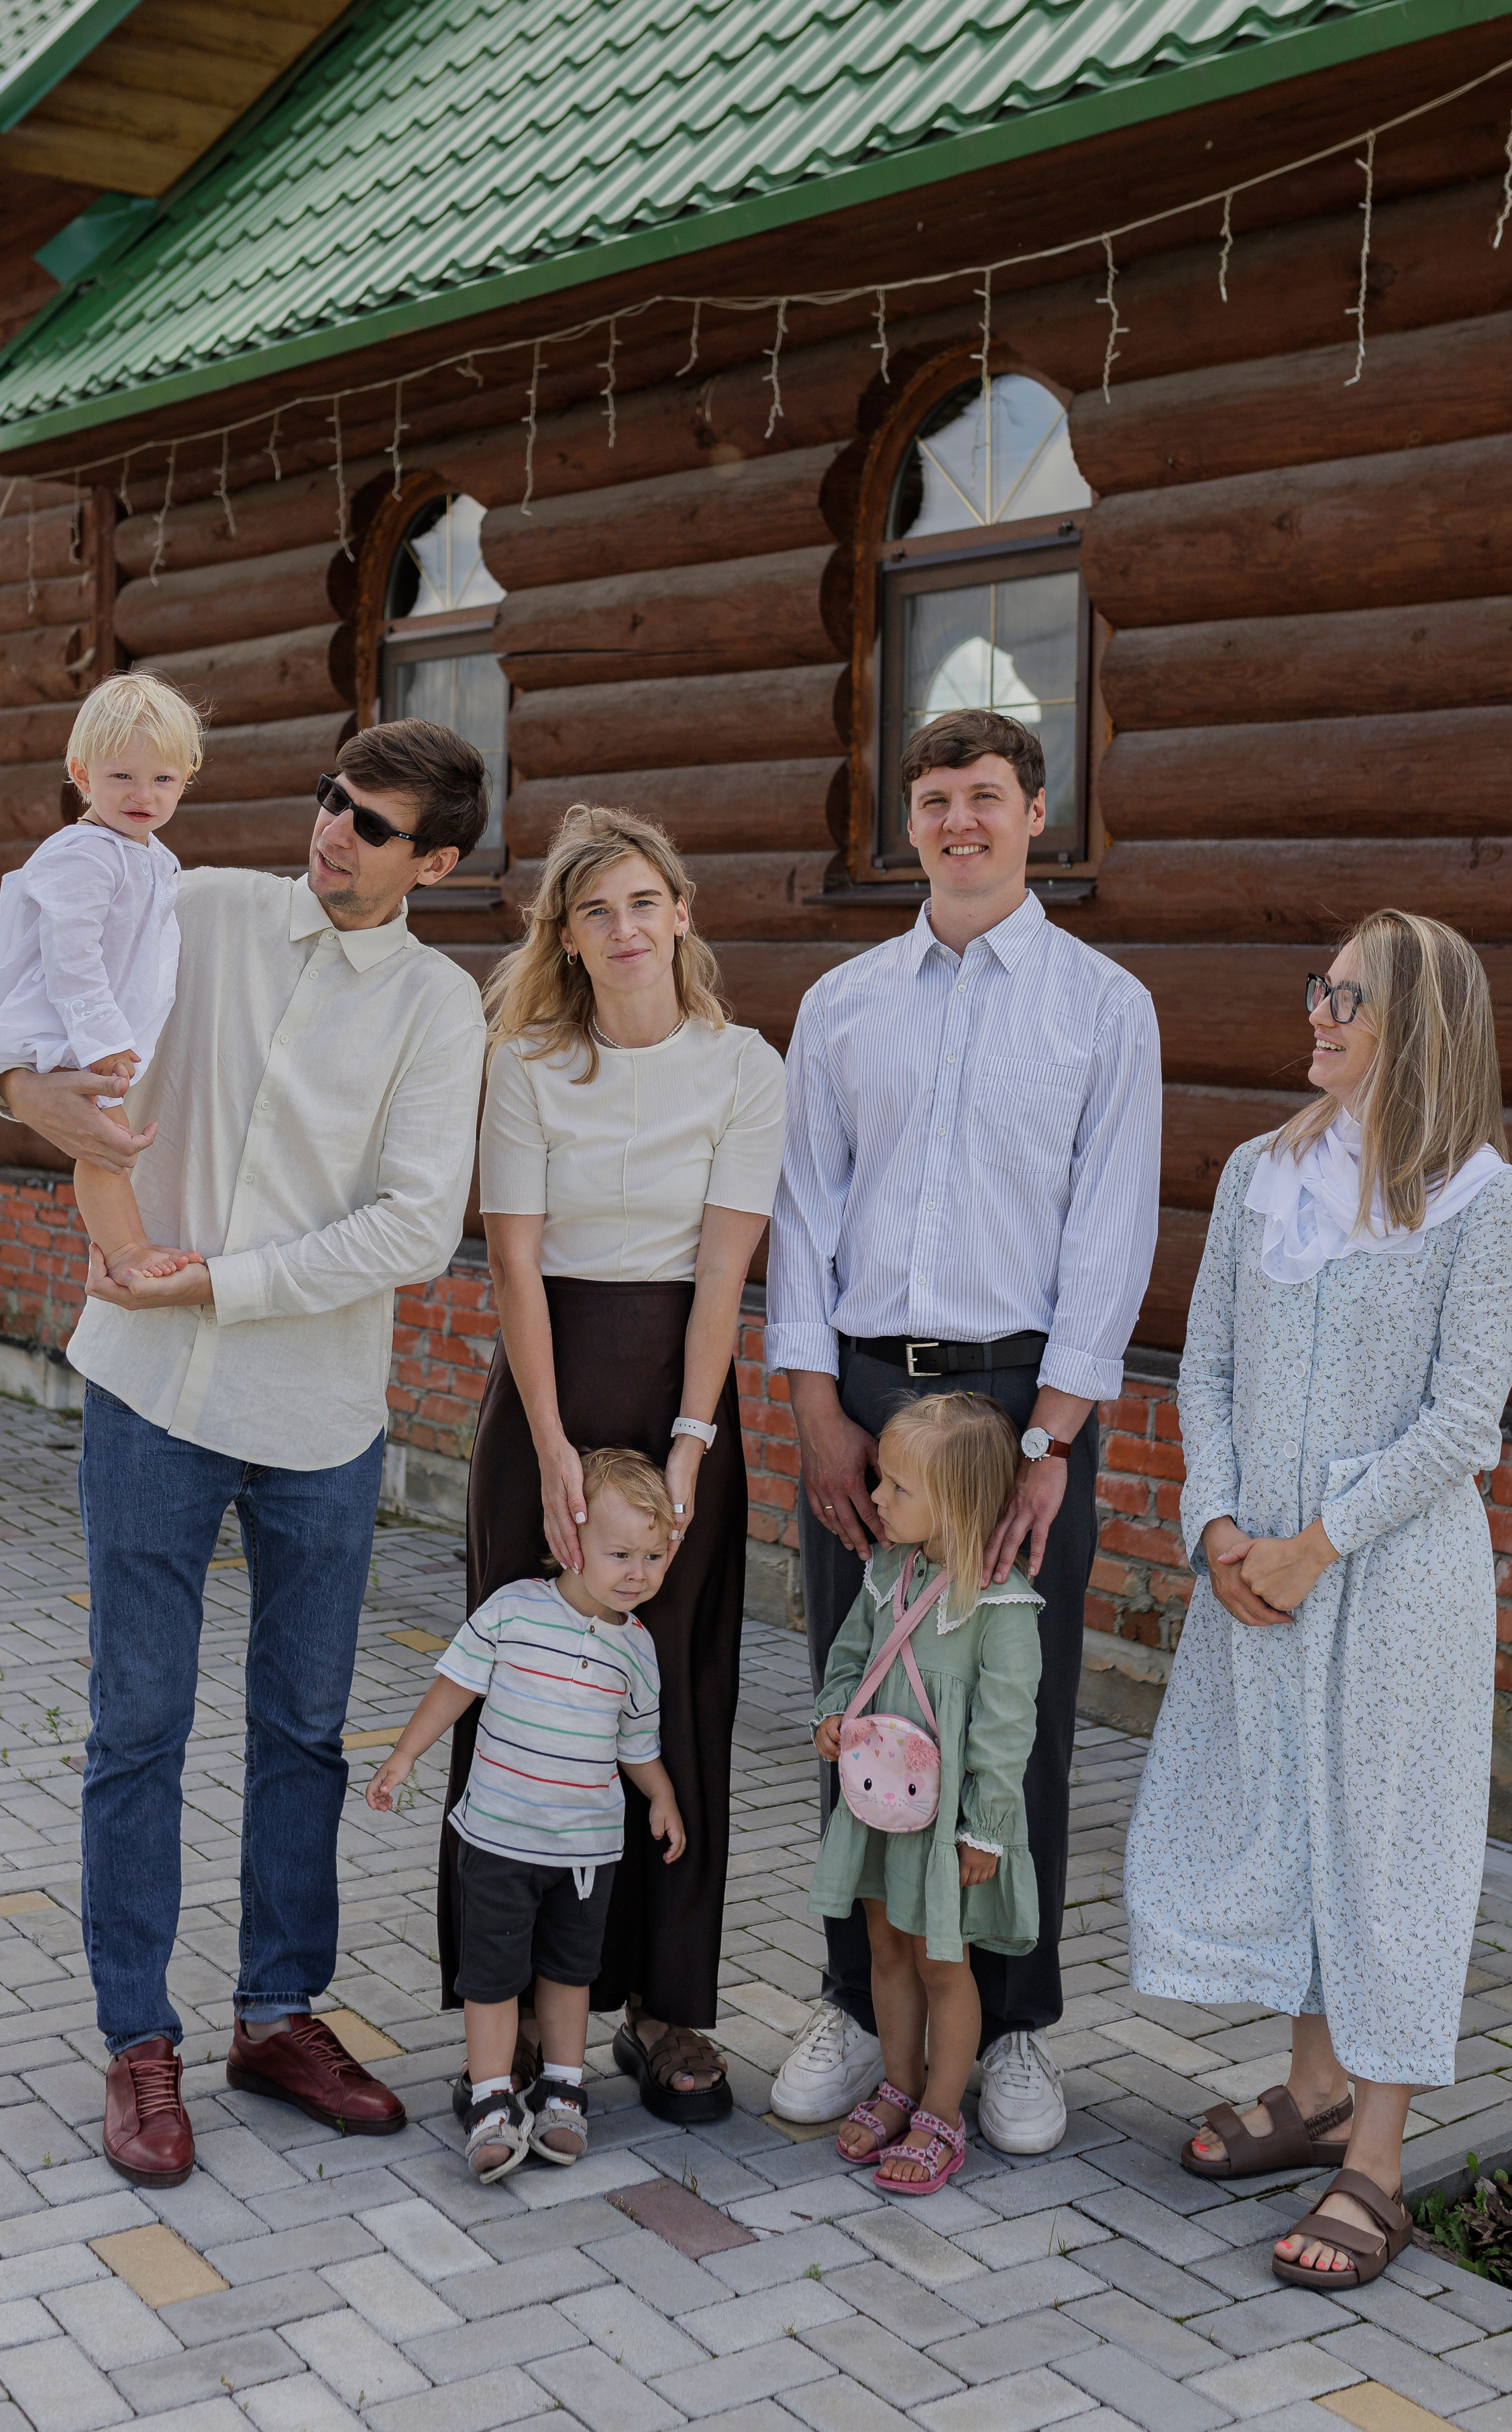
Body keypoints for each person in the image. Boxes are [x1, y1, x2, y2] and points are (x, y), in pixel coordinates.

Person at [0, 721, 490, 2186]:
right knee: (137, 1725)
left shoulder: (442, 1008)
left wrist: (218, 1281)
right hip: (145, 1396)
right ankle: (137, 2041)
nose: (331, 834)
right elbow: (4, 998)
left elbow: (415, 1227)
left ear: (432, 861)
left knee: (302, 1731)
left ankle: (275, 2015)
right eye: (329, 801)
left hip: (318, 1416)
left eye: (371, 827)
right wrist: (22, 1094)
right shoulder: (192, 904)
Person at [1125, 911, 1512, 2292]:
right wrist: (1218, 1524)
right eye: (1318, 986)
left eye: (1345, 997)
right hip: (1257, 1567)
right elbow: (1208, 1371)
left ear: (1414, 1024)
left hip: (1392, 1583)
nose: (1317, 1011)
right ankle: (1307, 2096)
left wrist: (1318, 1540)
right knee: (1293, 1815)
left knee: (1389, 1849)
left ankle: (1373, 2156)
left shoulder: (1482, 1199)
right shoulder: (1260, 1169)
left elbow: (1460, 1424)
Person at [767, 706, 1160, 2152]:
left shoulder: (1100, 1006)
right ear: (909, 818)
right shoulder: (844, 1002)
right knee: (860, 1699)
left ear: (1036, 811)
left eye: (984, 796)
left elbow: (1110, 1231)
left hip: (1011, 1405)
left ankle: (1008, 2028)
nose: (957, 822)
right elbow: (804, 1211)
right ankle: (855, 2007)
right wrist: (814, 1409)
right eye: (933, 799)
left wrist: (1054, 1437)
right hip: (867, 1390)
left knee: (1011, 1717)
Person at [441, 802, 786, 2125]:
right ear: (568, 939)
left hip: (677, 1386)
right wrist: (546, 1451)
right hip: (550, 1381)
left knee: (677, 1686)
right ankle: (521, 2002)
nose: (625, 927)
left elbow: (721, 1272)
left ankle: (667, 2004)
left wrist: (692, 1440)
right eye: (596, 912)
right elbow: (514, 1264)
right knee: (525, 1683)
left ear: (681, 913)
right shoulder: (527, 1062)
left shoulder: (744, 1066)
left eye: (644, 902)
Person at [368, 1448, 686, 2181]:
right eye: (619, 1554)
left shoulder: (637, 1649)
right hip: (499, 1840)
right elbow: (454, 1685)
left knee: (569, 1973)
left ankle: (563, 2091)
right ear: (571, 1540)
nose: (637, 1572)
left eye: (653, 1556)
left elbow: (637, 1743)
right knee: (492, 1976)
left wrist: (662, 1795)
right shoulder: (513, 1609)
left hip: (585, 1850)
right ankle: (490, 2100)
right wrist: (404, 1756)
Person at [811, 1393, 1041, 2195]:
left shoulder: (1002, 1605)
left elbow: (1007, 1730)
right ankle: (900, 2083)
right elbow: (847, 1654)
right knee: (885, 1946)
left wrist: (987, 1828)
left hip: (945, 1824)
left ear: (957, 1505)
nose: (875, 1498)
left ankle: (944, 2107)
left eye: (897, 1489)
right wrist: (832, 1712)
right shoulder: (886, 1572)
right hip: (880, 1807)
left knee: (945, 1961)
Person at [0, 674, 205, 1283]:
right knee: (107, 1137)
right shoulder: (84, 852)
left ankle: (129, 1242)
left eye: (163, 778)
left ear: (187, 778)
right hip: (66, 1023)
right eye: (122, 776)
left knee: (110, 1133)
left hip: (102, 1030)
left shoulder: (151, 855)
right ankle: (126, 1248)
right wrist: (103, 1038)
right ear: (82, 775)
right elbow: (70, 955)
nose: (144, 794)